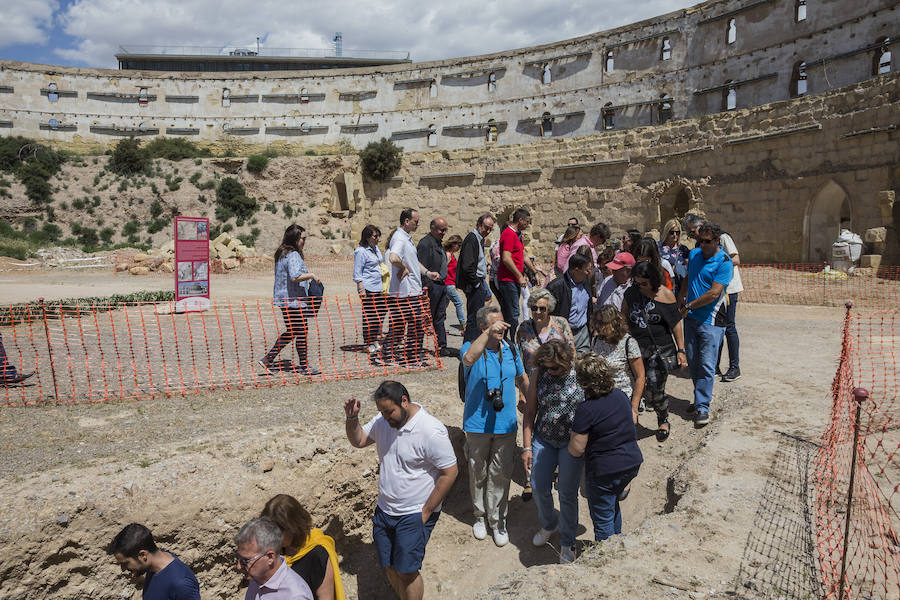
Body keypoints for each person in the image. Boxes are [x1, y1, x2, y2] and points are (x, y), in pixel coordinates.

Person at [344, 381, 458, 600]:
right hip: (385, 511)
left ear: (404, 401)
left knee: (407, 571)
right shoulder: (382, 421)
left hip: (413, 512)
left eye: (389, 411)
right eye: (381, 412)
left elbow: (450, 472)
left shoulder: (430, 430)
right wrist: (352, 419)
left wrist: (425, 512)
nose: (385, 417)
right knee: (388, 565)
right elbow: (358, 440)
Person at [461, 306, 529, 547]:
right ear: (483, 327)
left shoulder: (510, 349)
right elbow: (469, 359)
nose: (501, 328)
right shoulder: (471, 348)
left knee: (500, 473)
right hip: (477, 424)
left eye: (502, 324)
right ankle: (479, 517)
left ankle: (498, 520)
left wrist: (532, 402)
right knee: (477, 471)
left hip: (506, 423)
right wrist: (489, 332)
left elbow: (521, 378)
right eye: (495, 324)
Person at [521, 340, 585, 563]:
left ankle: (568, 542)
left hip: (571, 443)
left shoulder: (580, 373)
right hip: (544, 439)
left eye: (555, 367)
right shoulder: (540, 373)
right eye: (547, 366)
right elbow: (529, 414)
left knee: (567, 494)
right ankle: (549, 524)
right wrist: (527, 447)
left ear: (566, 361)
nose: (551, 371)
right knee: (538, 487)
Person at [568, 353, 643, 543]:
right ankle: (618, 542)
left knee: (602, 520)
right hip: (630, 464)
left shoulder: (586, 409)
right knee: (612, 504)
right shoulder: (620, 396)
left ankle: (607, 558)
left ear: (583, 381)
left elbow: (576, 449)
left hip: (604, 471)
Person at [622, 261, 687, 441]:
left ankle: (663, 418)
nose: (640, 287)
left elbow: (675, 324)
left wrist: (681, 350)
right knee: (633, 386)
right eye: (637, 283)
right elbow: (623, 316)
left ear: (653, 279)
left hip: (659, 350)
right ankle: (630, 421)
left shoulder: (666, 296)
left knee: (655, 390)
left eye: (644, 283)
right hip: (635, 348)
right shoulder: (631, 293)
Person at [677, 221, 733, 427]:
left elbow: (714, 293)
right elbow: (689, 277)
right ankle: (699, 398)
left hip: (712, 320)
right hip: (691, 317)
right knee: (693, 362)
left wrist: (689, 305)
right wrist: (681, 296)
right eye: (700, 240)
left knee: (707, 365)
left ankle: (703, 407)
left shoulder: (724, 262)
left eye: (708, 241)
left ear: (717, 241)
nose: (703, 245)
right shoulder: (694, 255)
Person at [259, 224, 321, 376]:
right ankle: (304, 366)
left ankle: (268, 359)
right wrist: (312, 275)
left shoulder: (282, 253)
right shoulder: (293, 255)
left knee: (293, 331)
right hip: (294, 301)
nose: (304, 241)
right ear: (295, 238)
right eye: (303, 238)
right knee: (302, 332)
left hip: (285, 300)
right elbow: (295, 276)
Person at [261, 494, 345, 600]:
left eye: (276, 532)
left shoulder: (317, 554)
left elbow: (326, 597)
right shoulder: (275, 549)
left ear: (292, 527)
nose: (271, 536)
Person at [386, 209, 439, 367]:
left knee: (405, 325)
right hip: (406, 292)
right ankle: (409, 356)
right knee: (413, 325)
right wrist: (402, 268)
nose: (418, 224)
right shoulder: (400, 238)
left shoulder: (406, 239)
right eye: (416, 221)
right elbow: (393, 257)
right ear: (407, 221)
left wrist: (427, 273)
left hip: (412, 290)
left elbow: (413, 262)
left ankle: (403, 355)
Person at [108, 523, 201, 600]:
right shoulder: (152, 568)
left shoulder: (181, 585)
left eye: (125, 563)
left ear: (143, 555)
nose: (123, 569)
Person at [589, 304, 646, 425]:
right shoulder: (596, 340)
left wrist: (634, 408)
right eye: (597, 321)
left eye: (602, 322)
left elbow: (640, 377)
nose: (598, 326)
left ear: (613, 323)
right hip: (600, 397)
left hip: (622, 399)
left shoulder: (628, 343)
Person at [234, 517, 314, 600]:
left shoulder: (295, 596)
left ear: (270, 557)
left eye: (246, 560)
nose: (239, 566)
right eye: (238, 557)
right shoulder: (257, 576)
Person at [497, 208, 541, 342]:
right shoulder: (509, 234)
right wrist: (519, 275)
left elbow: (523, 255)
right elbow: (506, 258)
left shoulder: (517, 234)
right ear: (520, 220)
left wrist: (534, 272)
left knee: (509, 311)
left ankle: (504, 339)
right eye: (527, 221)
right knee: (513, 312)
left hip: (513, 279)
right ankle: (513, 341)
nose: (528, 224)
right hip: (508, 279)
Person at [515, 287, 575, 372]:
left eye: (542, 309)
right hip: (534, 380)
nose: (538, 312)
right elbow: (519, 356)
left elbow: (572, 351)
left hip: (559, 377)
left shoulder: (561, 323)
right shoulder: (524, 328)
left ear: (549, 309)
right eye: (534, 308)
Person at [457, 213, 495, 343]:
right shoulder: (472, 239)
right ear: (479, 225)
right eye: (486, 227)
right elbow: (467, 266)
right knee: (474, 318)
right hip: (474, 284)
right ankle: (469, 349)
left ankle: (472, 347)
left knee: (477, 317)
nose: (488, 231)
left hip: (478, 282)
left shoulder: (478, 239)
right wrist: (476, 284)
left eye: (491, 228)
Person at [546, 252, 594, 353]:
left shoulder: (586, 282)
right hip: (562, 334)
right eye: (587, 270)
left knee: (582, 364)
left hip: (582, 334)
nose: (589, 273)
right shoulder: (556, 287)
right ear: (576, 270)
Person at [417, 217, 452, 357]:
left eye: (445, 230)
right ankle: (417, 348)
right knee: (424, 318)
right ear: (432, 228)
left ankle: (441, 346)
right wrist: (428, 288)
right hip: (431, 287)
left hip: (440, 285)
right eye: (441, 230)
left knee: (439, 317)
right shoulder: (426, 244)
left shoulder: (437, 243)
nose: (444, 232)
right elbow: (422, 268)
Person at [354, 224, 388, 365]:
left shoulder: (374, 249)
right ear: (367, 237)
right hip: (368, 288)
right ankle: (368, 343)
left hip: (379, 288)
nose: (377, 239)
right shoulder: (361, 251)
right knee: (369, 317)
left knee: (378, 317)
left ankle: (374, 341)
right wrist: (361, 289)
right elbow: (358, 272)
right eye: (375, 236)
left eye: (378, 236)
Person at [716, 229, 743, 382]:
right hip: (716, 289)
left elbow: (736, 259)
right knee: (717, 327)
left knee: (729, 326)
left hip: (729, 289)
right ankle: (715, 366)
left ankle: (735, 367)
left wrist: (716, 261)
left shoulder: (724, 237)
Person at [443, 234, 467, 333]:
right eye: (458, 245)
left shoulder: (451, 254)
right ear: (453, 244)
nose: (459, 247)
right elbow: (443, 269)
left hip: (449, 284)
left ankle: (439, 327)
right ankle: (463, 327)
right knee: (459, 302)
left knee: (443, 307)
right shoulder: (448, 255)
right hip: (448, 284)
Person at [658, 218, 689, 290]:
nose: (675, 235)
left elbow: (688, 267)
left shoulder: (683, 249)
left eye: (677, 232)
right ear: (666, 232)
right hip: (662, 284)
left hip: (678, 285)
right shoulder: (658, 247)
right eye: (672, 232)